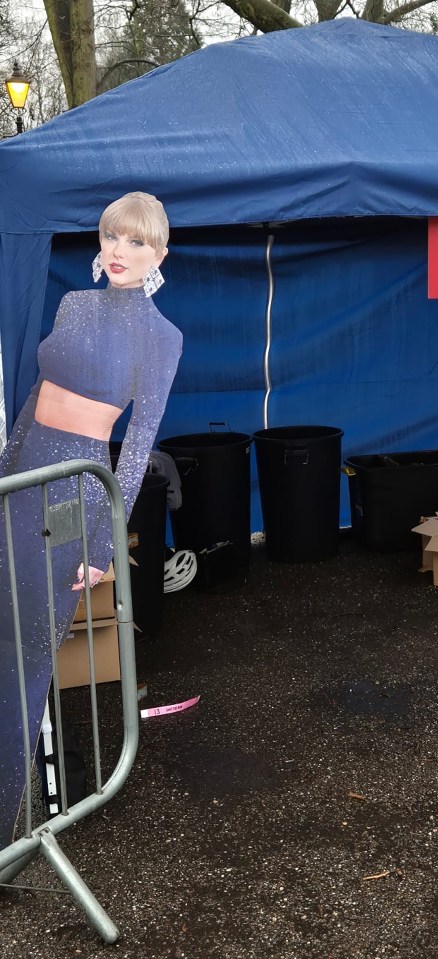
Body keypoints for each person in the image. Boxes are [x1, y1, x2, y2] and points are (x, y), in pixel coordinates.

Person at [0, 192, 183, 845]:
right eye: (112, 236)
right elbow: (33, 402)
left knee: (24, 666)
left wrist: (105, 544)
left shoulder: (161, 337)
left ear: (159, 255)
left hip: (71, 494)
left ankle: (4, 832)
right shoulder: (73, 304)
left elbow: (136, 448)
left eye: (136, 242)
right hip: (20, 479)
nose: (119, 250)